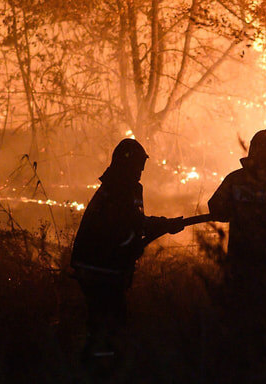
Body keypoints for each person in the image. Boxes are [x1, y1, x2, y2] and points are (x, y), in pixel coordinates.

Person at [70, 138, 184, 368]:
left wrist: (162, 225)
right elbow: (133, 222)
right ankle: (102, 367)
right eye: (138, 165)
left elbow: (133, 224)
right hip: (100, 266)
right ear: (127, 163)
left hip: (99, 265)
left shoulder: (118, 186)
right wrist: (164, 224)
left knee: (103, 320)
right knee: (109, 320)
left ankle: (95, 363)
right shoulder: (120, 189)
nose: (141, 171)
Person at [207, 128, 266, 309]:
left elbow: (215, 207)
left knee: (236, 305)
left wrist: (238, 212)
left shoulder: (235, 179)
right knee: (263, 305)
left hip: (238, 255)